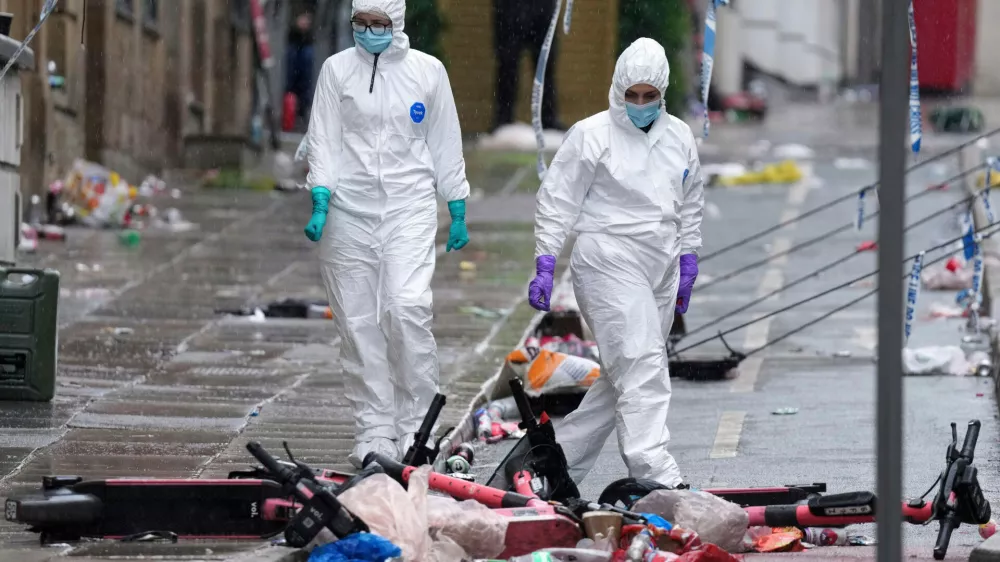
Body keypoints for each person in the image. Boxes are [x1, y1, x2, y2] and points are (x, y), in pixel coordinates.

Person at [527, 38, 704, 488]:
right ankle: (654, 472)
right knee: (642, 364)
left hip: (660, 264)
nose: (640, 105)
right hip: (607, 258)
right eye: (632, 95)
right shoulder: (591, 135)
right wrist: (546, 259)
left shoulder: (679, 136)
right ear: (617, 88)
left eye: (650, 96)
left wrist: (688, 257)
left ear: (662, 93)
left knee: (621, 375)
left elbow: (691, 201)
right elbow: (557, 200)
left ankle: (554, 463)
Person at [302, 0, 471, 468]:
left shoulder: (427, 72)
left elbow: (445, 139)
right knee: (357, 323)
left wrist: (456, 203)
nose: (370, 31)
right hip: (347, 211)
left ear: (397, 22)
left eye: (380, 24)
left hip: (408, 206)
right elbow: (323, 139)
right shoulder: (337, 71)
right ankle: (375, 428)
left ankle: (418, 427)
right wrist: (321, 195)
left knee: (406, 308)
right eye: (362, 23)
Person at [493, 0, 563, 131]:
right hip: (510, 6)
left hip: (543, 5)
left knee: (545, 64)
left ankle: (548, 119)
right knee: (507, 64)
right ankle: (503, 119)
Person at [286, 12, 316, 127]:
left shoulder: (308, 46)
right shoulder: (293, 44)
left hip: (303, 80)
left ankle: (301, 115)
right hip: (294, 77)